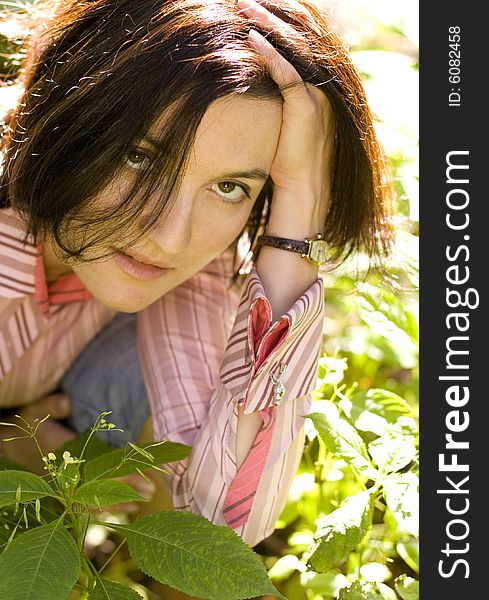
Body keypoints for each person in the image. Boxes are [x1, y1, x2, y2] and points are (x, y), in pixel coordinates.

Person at [0, 0, 392, 548]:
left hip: (56, 395)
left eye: (230, 187)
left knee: (202, 423)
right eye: (140, 157)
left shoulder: (197, 260)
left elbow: (221, 523)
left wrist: (300, 207)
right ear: (72, 111)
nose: (170, 236)